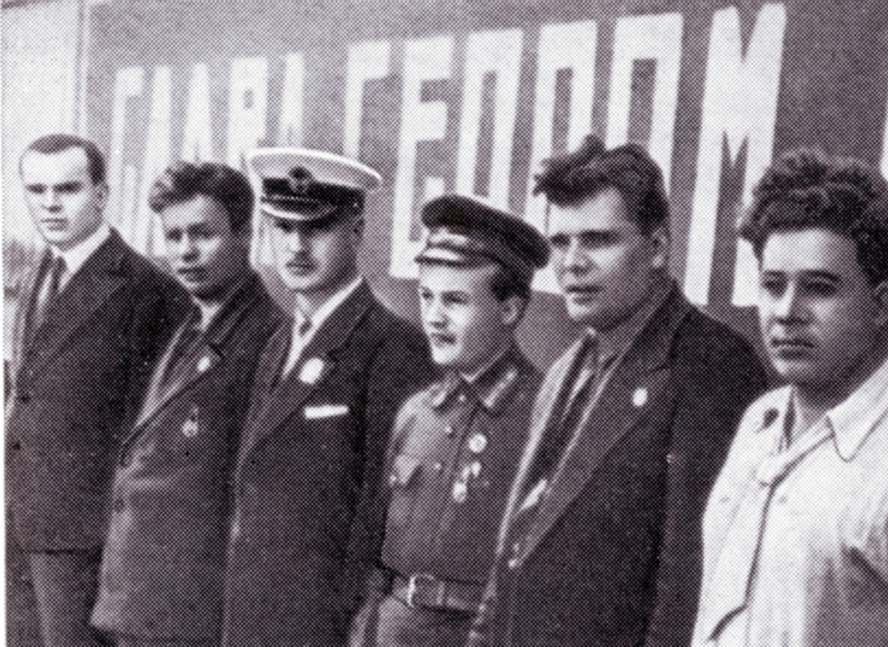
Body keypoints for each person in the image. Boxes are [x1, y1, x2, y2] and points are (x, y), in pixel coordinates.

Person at [468, 135, 768, 647]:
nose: (572, 263)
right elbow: (514, 551)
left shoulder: (711, 366)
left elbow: (687, 589)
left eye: (598, 241)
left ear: (657, 248)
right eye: (560, 243)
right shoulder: (565, 368)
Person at [691, 148, 888, 647]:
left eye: (819, 288)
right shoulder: (761, 419)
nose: (786, 312)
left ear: (882, 303)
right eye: (773, 286)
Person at [222, 148, 433, 645]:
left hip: (323, 620)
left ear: (356, 232)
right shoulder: (280, 341)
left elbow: (382, 510)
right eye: (283, 227)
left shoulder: (392, 346)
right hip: (253, 609)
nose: (296, 246)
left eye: (316, 228)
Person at [88, 161, 282, 646]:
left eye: (203, 234)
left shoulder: (269, 340)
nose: (185, 252)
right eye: (173, 236)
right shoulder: (191, 326)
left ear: (246, 235)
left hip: (193, 612)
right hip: (142, 601)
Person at [6, 133, 187, 645]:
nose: (50, 204)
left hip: (92, 539)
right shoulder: (40, 272)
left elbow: (160, 430)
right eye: (37, 190)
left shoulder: (148, 290)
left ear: (102, 195)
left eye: (67, 189)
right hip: (24, 520)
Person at [349, 194, 551, 646]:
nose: (434, 318)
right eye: (427, 297)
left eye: (455, 301)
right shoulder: (417, 412)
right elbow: (376, 554)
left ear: (510, 309)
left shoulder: (544, 417)